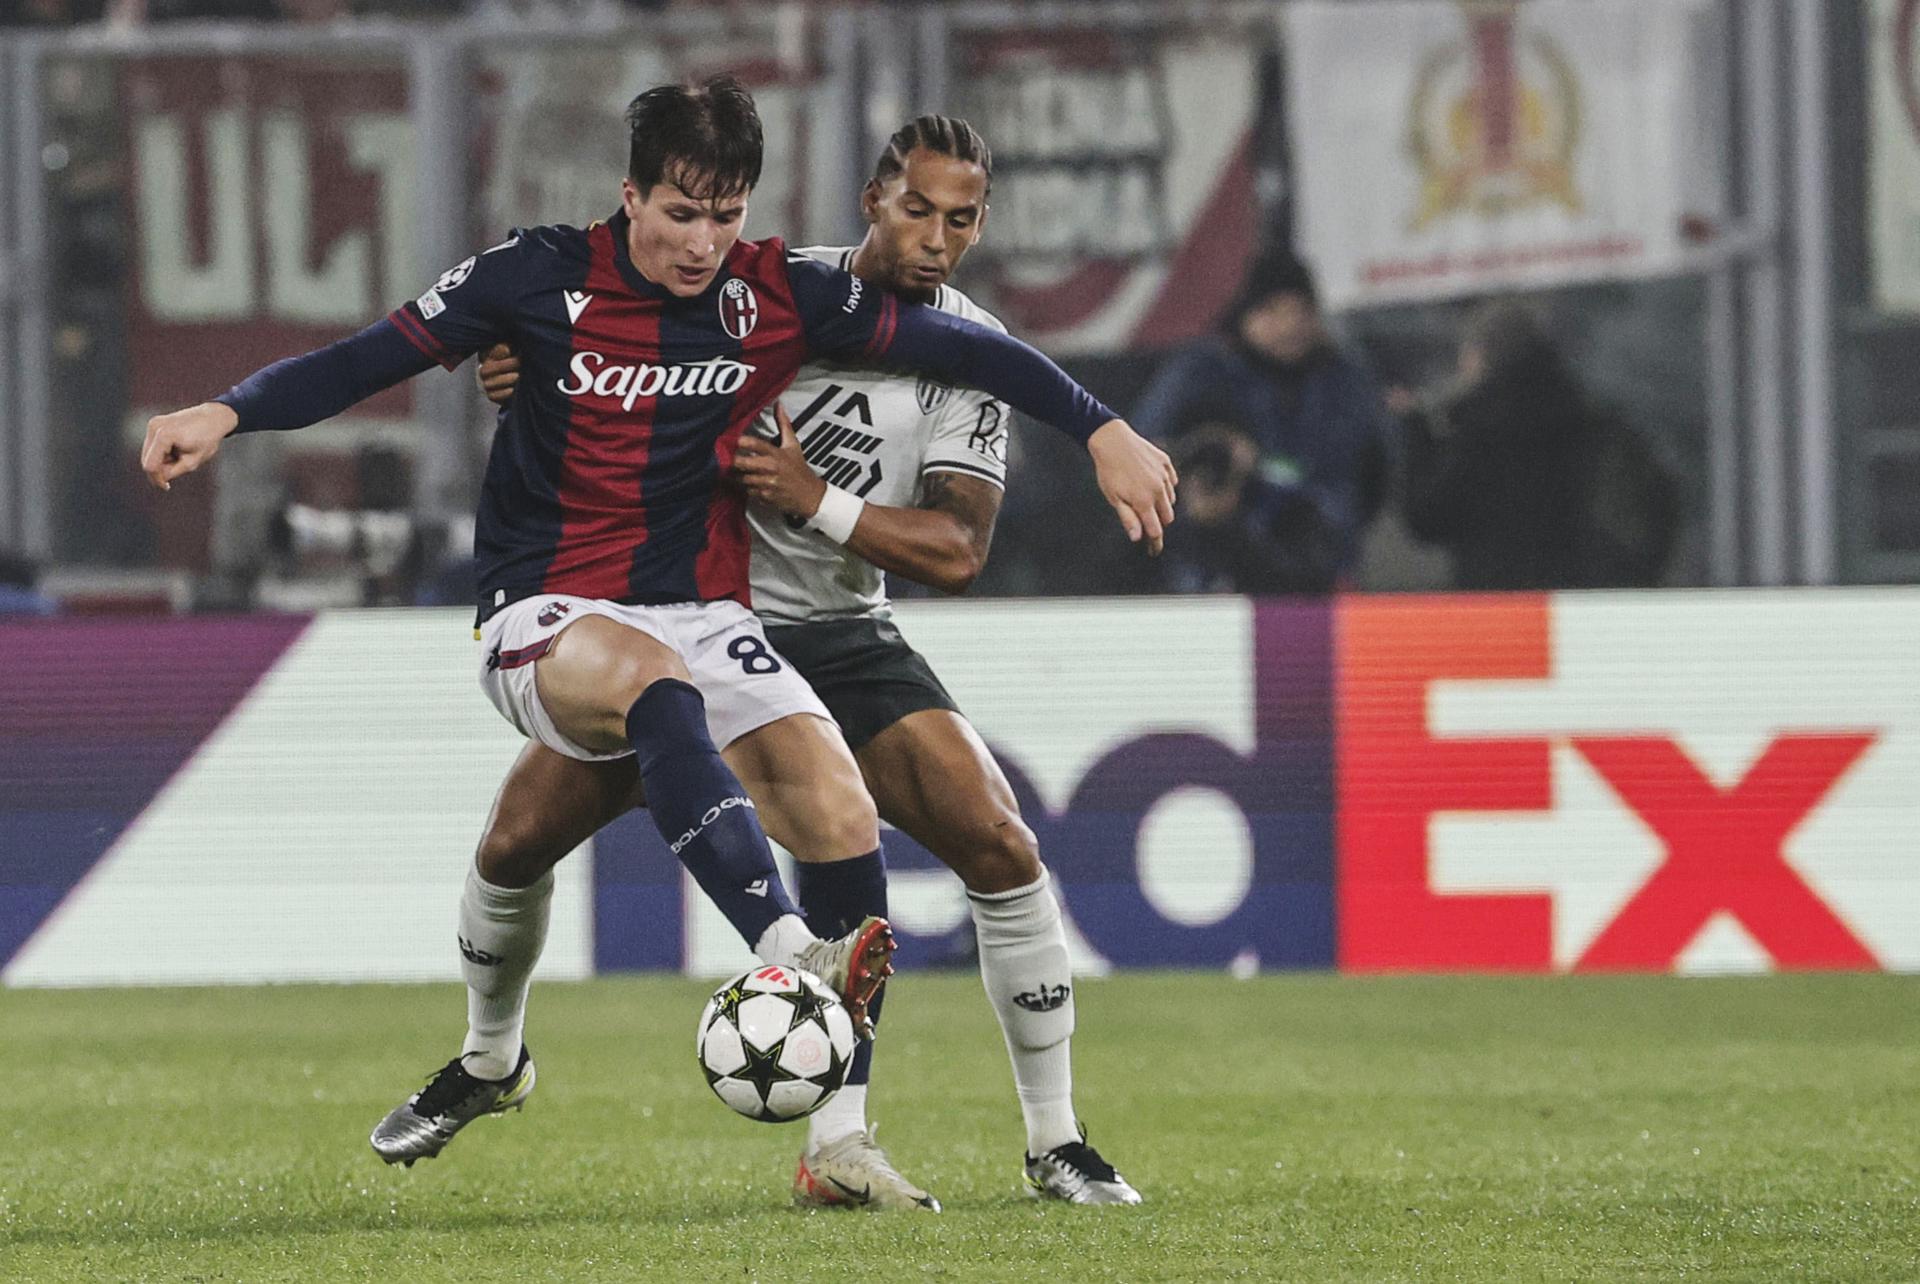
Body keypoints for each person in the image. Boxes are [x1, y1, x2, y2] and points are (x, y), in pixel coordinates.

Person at [138, 79, 1175, 1191]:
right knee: (552, 801)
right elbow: (366, 358)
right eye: (682, 214)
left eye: (725, 216)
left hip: (731, 617)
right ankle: (767, 964)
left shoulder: (777, 297)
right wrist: (229, 410)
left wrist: (1102, 425)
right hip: (559, 604)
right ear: (629, 195)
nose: (704, 243)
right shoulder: (536, 275)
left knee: (835, 802)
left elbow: (984, 378)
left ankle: (851, 1142)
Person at [472, 115, 1144, 1209]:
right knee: (513, 844)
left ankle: (1045, 1141)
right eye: (916, 208)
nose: (935, 238)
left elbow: (959, 550)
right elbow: (602, 341)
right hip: (683, 623)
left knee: (1002, 843)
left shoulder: (970, 355)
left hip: (838, 634)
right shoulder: (765, 290)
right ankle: (487, 1056)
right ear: (874, 196)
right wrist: (522, 365)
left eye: (961, 219)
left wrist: (813, 498)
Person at [1131, 247, 1391, 594]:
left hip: (1316, 576)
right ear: (1246, 314)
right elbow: (1138, 455)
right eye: (1273, 311)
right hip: (1204, 576)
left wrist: (1280, 487)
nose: (1290, 325)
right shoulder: (1201, 373)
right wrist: (1199, 489)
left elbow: (1371, 475)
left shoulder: (1341, 382)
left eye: (1301, 311)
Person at [1395, 298, 1675, 590]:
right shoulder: (1583, 420)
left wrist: (1417, 437)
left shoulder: (1480, 429)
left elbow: (1427, 518)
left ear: (1482, 357)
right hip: (1573, 596)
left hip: (1495, 599)